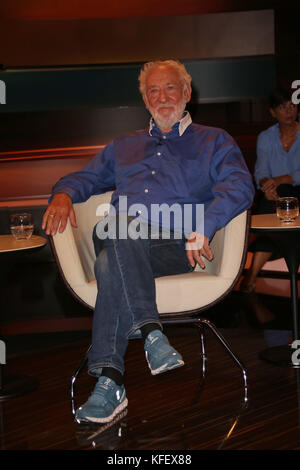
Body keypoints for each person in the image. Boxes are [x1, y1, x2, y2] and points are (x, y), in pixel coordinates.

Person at [42, 59, 254, 424]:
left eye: (170, 87)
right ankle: (152, 335)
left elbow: (239, 186)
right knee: (122, 225)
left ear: (187, 93)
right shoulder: (122, 145)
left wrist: (205, 225)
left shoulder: (213, 140)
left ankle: (111, 381)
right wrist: (62, 193)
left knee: (110, 262)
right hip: (121, 233)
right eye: (152, 91)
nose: (162, 96)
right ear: (145, 101)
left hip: (177, 246)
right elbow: (84, 178)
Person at [240, 88, 300, 293]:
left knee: (277, 198)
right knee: (273, 201)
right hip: (275, 195)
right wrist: (266, 185)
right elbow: (261, 171)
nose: (289, 111)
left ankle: (245, 268)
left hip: (296, 191)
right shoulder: (266, 137)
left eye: (292, 106)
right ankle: (250, 279)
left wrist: (277, 180)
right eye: (282, 107)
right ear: (273, 112)